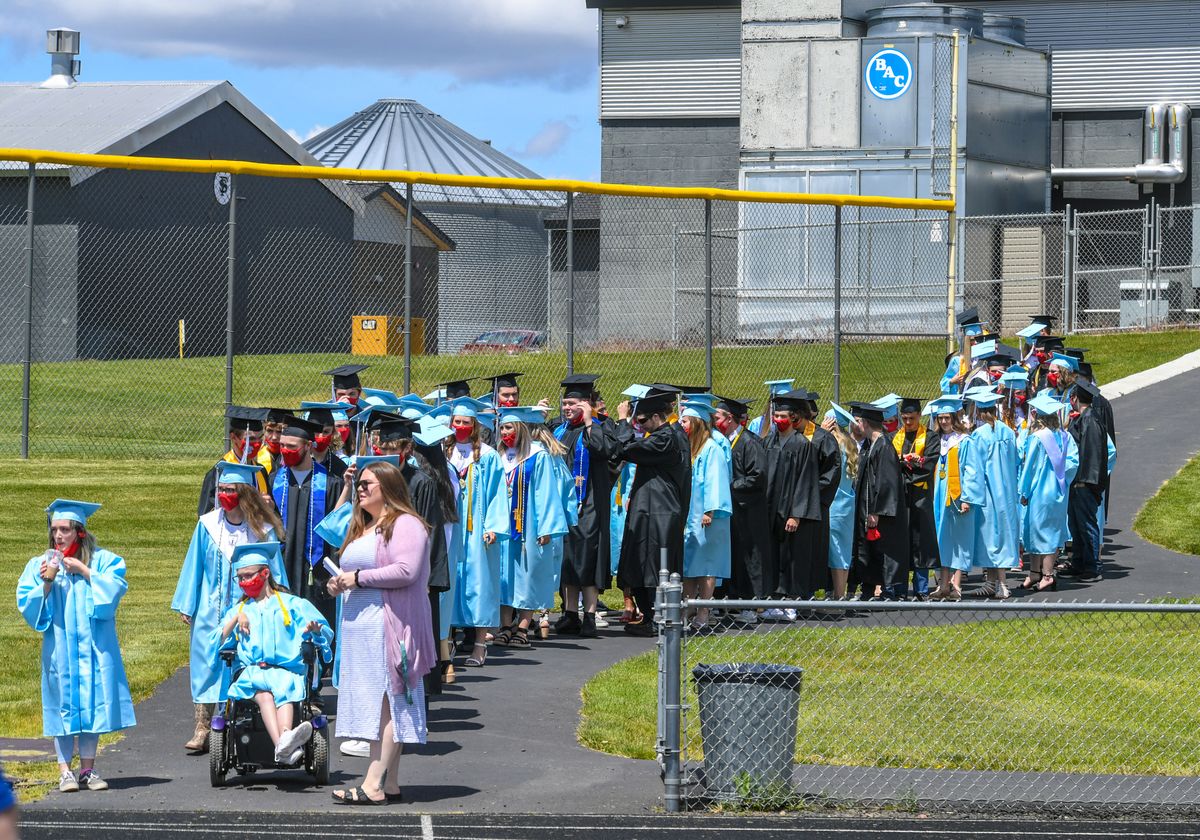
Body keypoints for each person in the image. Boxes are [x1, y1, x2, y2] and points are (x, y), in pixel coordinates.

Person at [325, 460, 435, 805]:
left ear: (387, 487)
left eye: (367, 483)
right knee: (382, 704)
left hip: (388, 625)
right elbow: (358, 571)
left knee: (389, 702)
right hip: (362, 627)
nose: (360, 489)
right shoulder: (366, 526)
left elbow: (405, 570)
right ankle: (390, 784)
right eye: (359, 483)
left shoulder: (406, 524)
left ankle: (373, 783)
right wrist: (339, 583)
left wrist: (357, 579)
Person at [17, 500, 136, 794]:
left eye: (65, 530)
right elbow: (27, 606)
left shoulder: (102, 561)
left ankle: (88, 769)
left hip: (93, 647)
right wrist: (47, 582)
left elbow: (114, 589)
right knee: (61, 706)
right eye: (54, 530)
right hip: (60, 650)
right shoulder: (40, 565)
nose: (58, 536)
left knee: (91, 702)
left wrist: (84, 571)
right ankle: (64, 771)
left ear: (79, 532)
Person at [173, 461, 286, 753]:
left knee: (243, 663)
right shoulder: (208, 525)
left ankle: (235, 724)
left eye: (230, 490)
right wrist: (188, 603)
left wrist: (279, 605)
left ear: (245, 493)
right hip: (210, 610)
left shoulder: (261, 530)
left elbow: (275, 572)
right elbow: (194, 565)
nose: (224, 494)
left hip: (249, 611)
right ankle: (202, 726)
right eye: (221, 489)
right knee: (205, 663)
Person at [214, 542, 333, 767]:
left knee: (285, 688)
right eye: (239, 578)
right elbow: (217, 641)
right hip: (253, 672)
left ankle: (284, 741)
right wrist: (234, 620)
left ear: (265, 573)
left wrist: (315, 631)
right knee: (265, 694)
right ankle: (284, 743)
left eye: (247, 576)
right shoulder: (239, 610)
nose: (243, 582)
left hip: (285, 671)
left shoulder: (293, 605)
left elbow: (325, 634)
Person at [614, 386, 691, 637]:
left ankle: (656, 618)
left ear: (657, 416)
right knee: (646, 563)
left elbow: (627, 448)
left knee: (653, 565)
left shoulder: (665, 438)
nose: (640, 425)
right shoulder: (671, 434)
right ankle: (651, 616)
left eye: (643, 420)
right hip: (655, 509)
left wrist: (624, 421)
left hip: (658, 512)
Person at [494, 407, 571, 647]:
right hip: (503, 527)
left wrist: (546, 528)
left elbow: (546, 493)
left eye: (510, 427)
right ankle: (505, 625)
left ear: (522, 429)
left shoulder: (537, 455)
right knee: (504, 576)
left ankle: (524, 626)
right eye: (503, 427)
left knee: (528, 575)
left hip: (529, 526)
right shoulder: (497, 457)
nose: (506, 432)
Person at [443, 397, 509, 667]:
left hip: (477, 531)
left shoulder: (489, 455)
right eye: (457, 421)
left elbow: (497, 493)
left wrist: (493, 526)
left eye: (465, 422)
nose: (460, 426)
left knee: (480, 585)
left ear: (474, 425)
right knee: (449, 586)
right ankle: (446, 643)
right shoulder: (444, 453)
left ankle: (480, 645)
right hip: (452, 528)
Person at [552, 375, 619, 638]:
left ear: (587, 404)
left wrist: (590, 420)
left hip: (589, 503)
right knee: (567, 557)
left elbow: (603, 450)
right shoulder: (561, 430)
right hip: (564, 506)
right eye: (565, 403)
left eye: (573, 403)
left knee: (588, 558)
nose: (567, 408)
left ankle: (589, 615)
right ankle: (570, 614)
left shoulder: (602, 427)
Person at [272, 415, 345, 629]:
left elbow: (334, 532)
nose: (285, 450)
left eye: (292, 446)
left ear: (308, 446)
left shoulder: (331, 484)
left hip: (317, 573)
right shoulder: (274, 480)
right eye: (283, 446)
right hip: (282, 569)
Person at [762, 389, 824, 612]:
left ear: (795, 418)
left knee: (792, 556)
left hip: (790, 513)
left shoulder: (802, 445)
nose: (778, 420)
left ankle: (792, 601)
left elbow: (806, 482)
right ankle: (774, 599)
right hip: (770, 512)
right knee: (772, 554)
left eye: (783, 417)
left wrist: (796, 514)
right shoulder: (769, 443)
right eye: (776, 416)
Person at [713, 396, 770, 621]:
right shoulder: (723, 441)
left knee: (749, 557)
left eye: (717, 417)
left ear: (729, 418)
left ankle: (750, 606)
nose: (714, 421)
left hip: (749, 511)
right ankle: (730, 599)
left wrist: (730, 486)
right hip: (733, 511)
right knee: (733, 556)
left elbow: (758, 476)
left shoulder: (749, 442)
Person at [679, 400, 733, 630]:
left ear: (696, 423)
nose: (680, 424)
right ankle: (688, 608)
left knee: (708, 566)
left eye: (684, 420)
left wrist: (710, 510)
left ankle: (703, 612)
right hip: (691, 516)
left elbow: (717, 481)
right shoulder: (691, 447)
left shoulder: (712, 448)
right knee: (690, 565)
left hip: (709, 517)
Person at [1018, 394, 1080, 592]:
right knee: (1050, 531)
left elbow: (1030, 467)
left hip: (1039, 492)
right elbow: (1073, 464)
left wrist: (1024, 491)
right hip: (1059, 492)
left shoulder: (1037, 438)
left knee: (1039, 531)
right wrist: (1060, 478)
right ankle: (1035, 574)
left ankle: (1047, 575)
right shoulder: (1065, 436)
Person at [962, 391, 1021, 599]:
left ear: (978, 409)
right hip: (1006, 491)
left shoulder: (978, 435)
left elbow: (975, 468)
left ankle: (1002, 584)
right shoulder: (1007, 431)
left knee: (991, 536)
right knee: (1001, 533)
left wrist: (968, 494)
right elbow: (1015, 461)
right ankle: (991, 582)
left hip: (987, 491)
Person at [849, 403, 909, 602]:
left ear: (865, 423)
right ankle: (868, 591)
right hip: (869, 510)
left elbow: (886, 482)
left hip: (879, 513)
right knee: (869, 551)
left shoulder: (884, 446)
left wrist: (876, 511)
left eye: (859, 422)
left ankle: (888, 591)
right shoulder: (872, 445)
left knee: (884, 552)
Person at [928, 398, 977, 601]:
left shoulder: (964, 441)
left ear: (954, 418)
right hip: (938, 496)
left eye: (947, 417)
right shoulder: (934, 440)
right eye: (941, 418)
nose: (944, 421)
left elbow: (972, 471)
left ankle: (956, 584)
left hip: (957, 497)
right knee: (942, 539)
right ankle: (943, 584)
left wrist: (967, 498)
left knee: (958, 540)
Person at [895, 397, 940, 599]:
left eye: (911, 418)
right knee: (902, 542)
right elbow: (891, 465)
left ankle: (921, 589)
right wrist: (905, 464)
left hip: (921, 497)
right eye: (904, 418)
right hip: (901, 497)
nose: (908, 422)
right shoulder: (896, 437)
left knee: (921, 542)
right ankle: (901, 588)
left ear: (919, 416)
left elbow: (929, 464)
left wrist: (909, 465)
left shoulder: (930, 437)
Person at [1065, 379, 1109, 583]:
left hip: (1084, 482)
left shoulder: (1090, 420)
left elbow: (1092, 454)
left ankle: (1093, 567)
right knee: (1076, 525)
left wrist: (1087, 482)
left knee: (1087, 525)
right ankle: (1079, 562)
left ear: (1075, 398)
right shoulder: (1084, 418)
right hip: (1077, 482)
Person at [197, 406, 273, 516]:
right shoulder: (219, 472)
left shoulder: (260, 471)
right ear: (233, 437)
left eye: (260, 438)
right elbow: (206, 515)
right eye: (250, 439)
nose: (257, 443)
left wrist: (269, 506)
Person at [821, 403, 858, 600]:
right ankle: (840, 593)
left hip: (833, 503)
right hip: (847, 503)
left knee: (834, 550)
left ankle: (838, 596)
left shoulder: (831, 444)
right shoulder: (850, 445)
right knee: (843, 550)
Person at [940, 308, 984, 394]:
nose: (975, 343)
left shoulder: (987, 357)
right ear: (965, 341)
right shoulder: (957, 360)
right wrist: (952, 381)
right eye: (971, 340)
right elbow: (945, 381)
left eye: (978, 339)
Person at [303, 402, 352, 479]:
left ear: (333, 433)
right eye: (316, 432)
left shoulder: (340, 467)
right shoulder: (300, 462)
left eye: (326, 432)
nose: (321, 436)